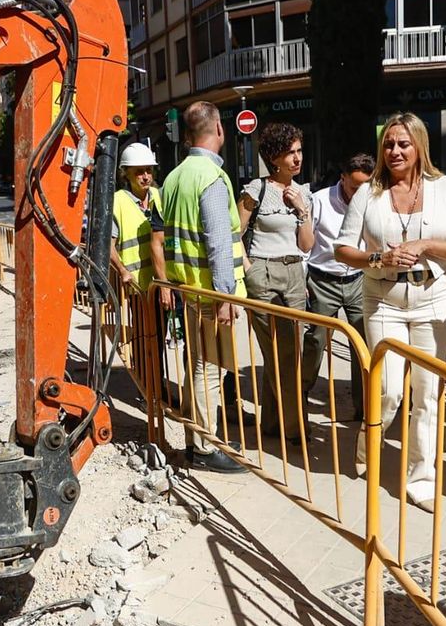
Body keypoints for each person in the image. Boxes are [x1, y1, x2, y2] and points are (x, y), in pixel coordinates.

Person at [333, 113, 446, 512]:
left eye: (403, 144)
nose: (395, 151)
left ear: (419, 147)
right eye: (389, 144)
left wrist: (428, 245)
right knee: (388, 389)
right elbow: (343, 249)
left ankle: (421, 479)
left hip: (432, 297)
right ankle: (368, 448)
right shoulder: (369, 193)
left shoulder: (445, 188)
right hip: (383, 299)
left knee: (428, 395)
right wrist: (380, 256)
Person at [162, 101, 249, 474]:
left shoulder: (174, 177)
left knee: (199, 366)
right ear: (219, 128)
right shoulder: (211, 177)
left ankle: (201, 436)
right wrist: (226, 295)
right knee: (209, 370)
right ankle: (203, 447)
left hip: (191, 290)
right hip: (213, 295)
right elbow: (217, 243)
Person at [238, 122, 315, 440]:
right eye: (289, 153)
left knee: (291, 351)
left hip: (295, 273)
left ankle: (271, 423)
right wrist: (247, 266)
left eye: (298, 151)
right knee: (277, 352)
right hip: (264, 272)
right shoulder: (256, 190)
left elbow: (307, 244)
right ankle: (295, 427)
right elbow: (236, 232)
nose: (296, 158)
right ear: (274, 158)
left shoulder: (303, 192)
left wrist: (301, 210)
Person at [300, 153, 375, 421]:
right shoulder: (319, 200)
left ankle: (365, 406)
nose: (358, 194)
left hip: (357, 279)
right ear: (342, 178)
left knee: (363, 341)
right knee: (316, 339)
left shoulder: (372, 200)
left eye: (364, 188)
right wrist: (304, 278)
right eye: (354, 187)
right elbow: (306, 245)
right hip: (323, 279)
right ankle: (302, 393)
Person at [110, 142, 173, 397]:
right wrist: (123, 270)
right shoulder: (118, 202)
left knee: (159, 337)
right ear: (126, 173)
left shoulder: (159, 196)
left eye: (148, 170)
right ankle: (151, 388)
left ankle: (156, 385)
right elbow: (107, 245)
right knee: (147, 337)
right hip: (138, 285)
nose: (145, 176)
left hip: (162, 282)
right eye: (139, 172)